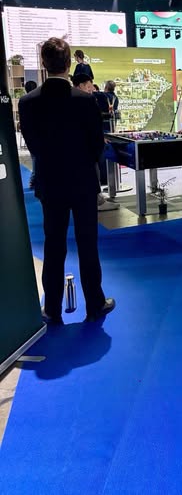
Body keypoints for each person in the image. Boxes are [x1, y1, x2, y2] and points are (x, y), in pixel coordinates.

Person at [19, 38, 115, 324]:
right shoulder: (85, 100)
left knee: (53, 244)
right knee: (88, 244)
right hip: (83, 182)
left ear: (43, 64)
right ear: (69, 63)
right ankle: (95, 304)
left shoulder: (28, 102)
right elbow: (97, 145)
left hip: (50, 182)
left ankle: (52, 309)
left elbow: (32, 145)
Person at [72, 73, 120, 212]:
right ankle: (97, 201)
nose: (92, 89)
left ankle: (96, 198)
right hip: (85, 146)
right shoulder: (83, 101)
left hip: (83, 144)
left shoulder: (76, 99)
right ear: (81, 85)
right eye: (89, 86)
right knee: (92, 171)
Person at [24, 80, 38, 189]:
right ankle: (34, 180)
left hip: (31, 135)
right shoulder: (39, 101)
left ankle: (33, 180)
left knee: (35, 157)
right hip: (41, 134)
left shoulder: (24, 101)